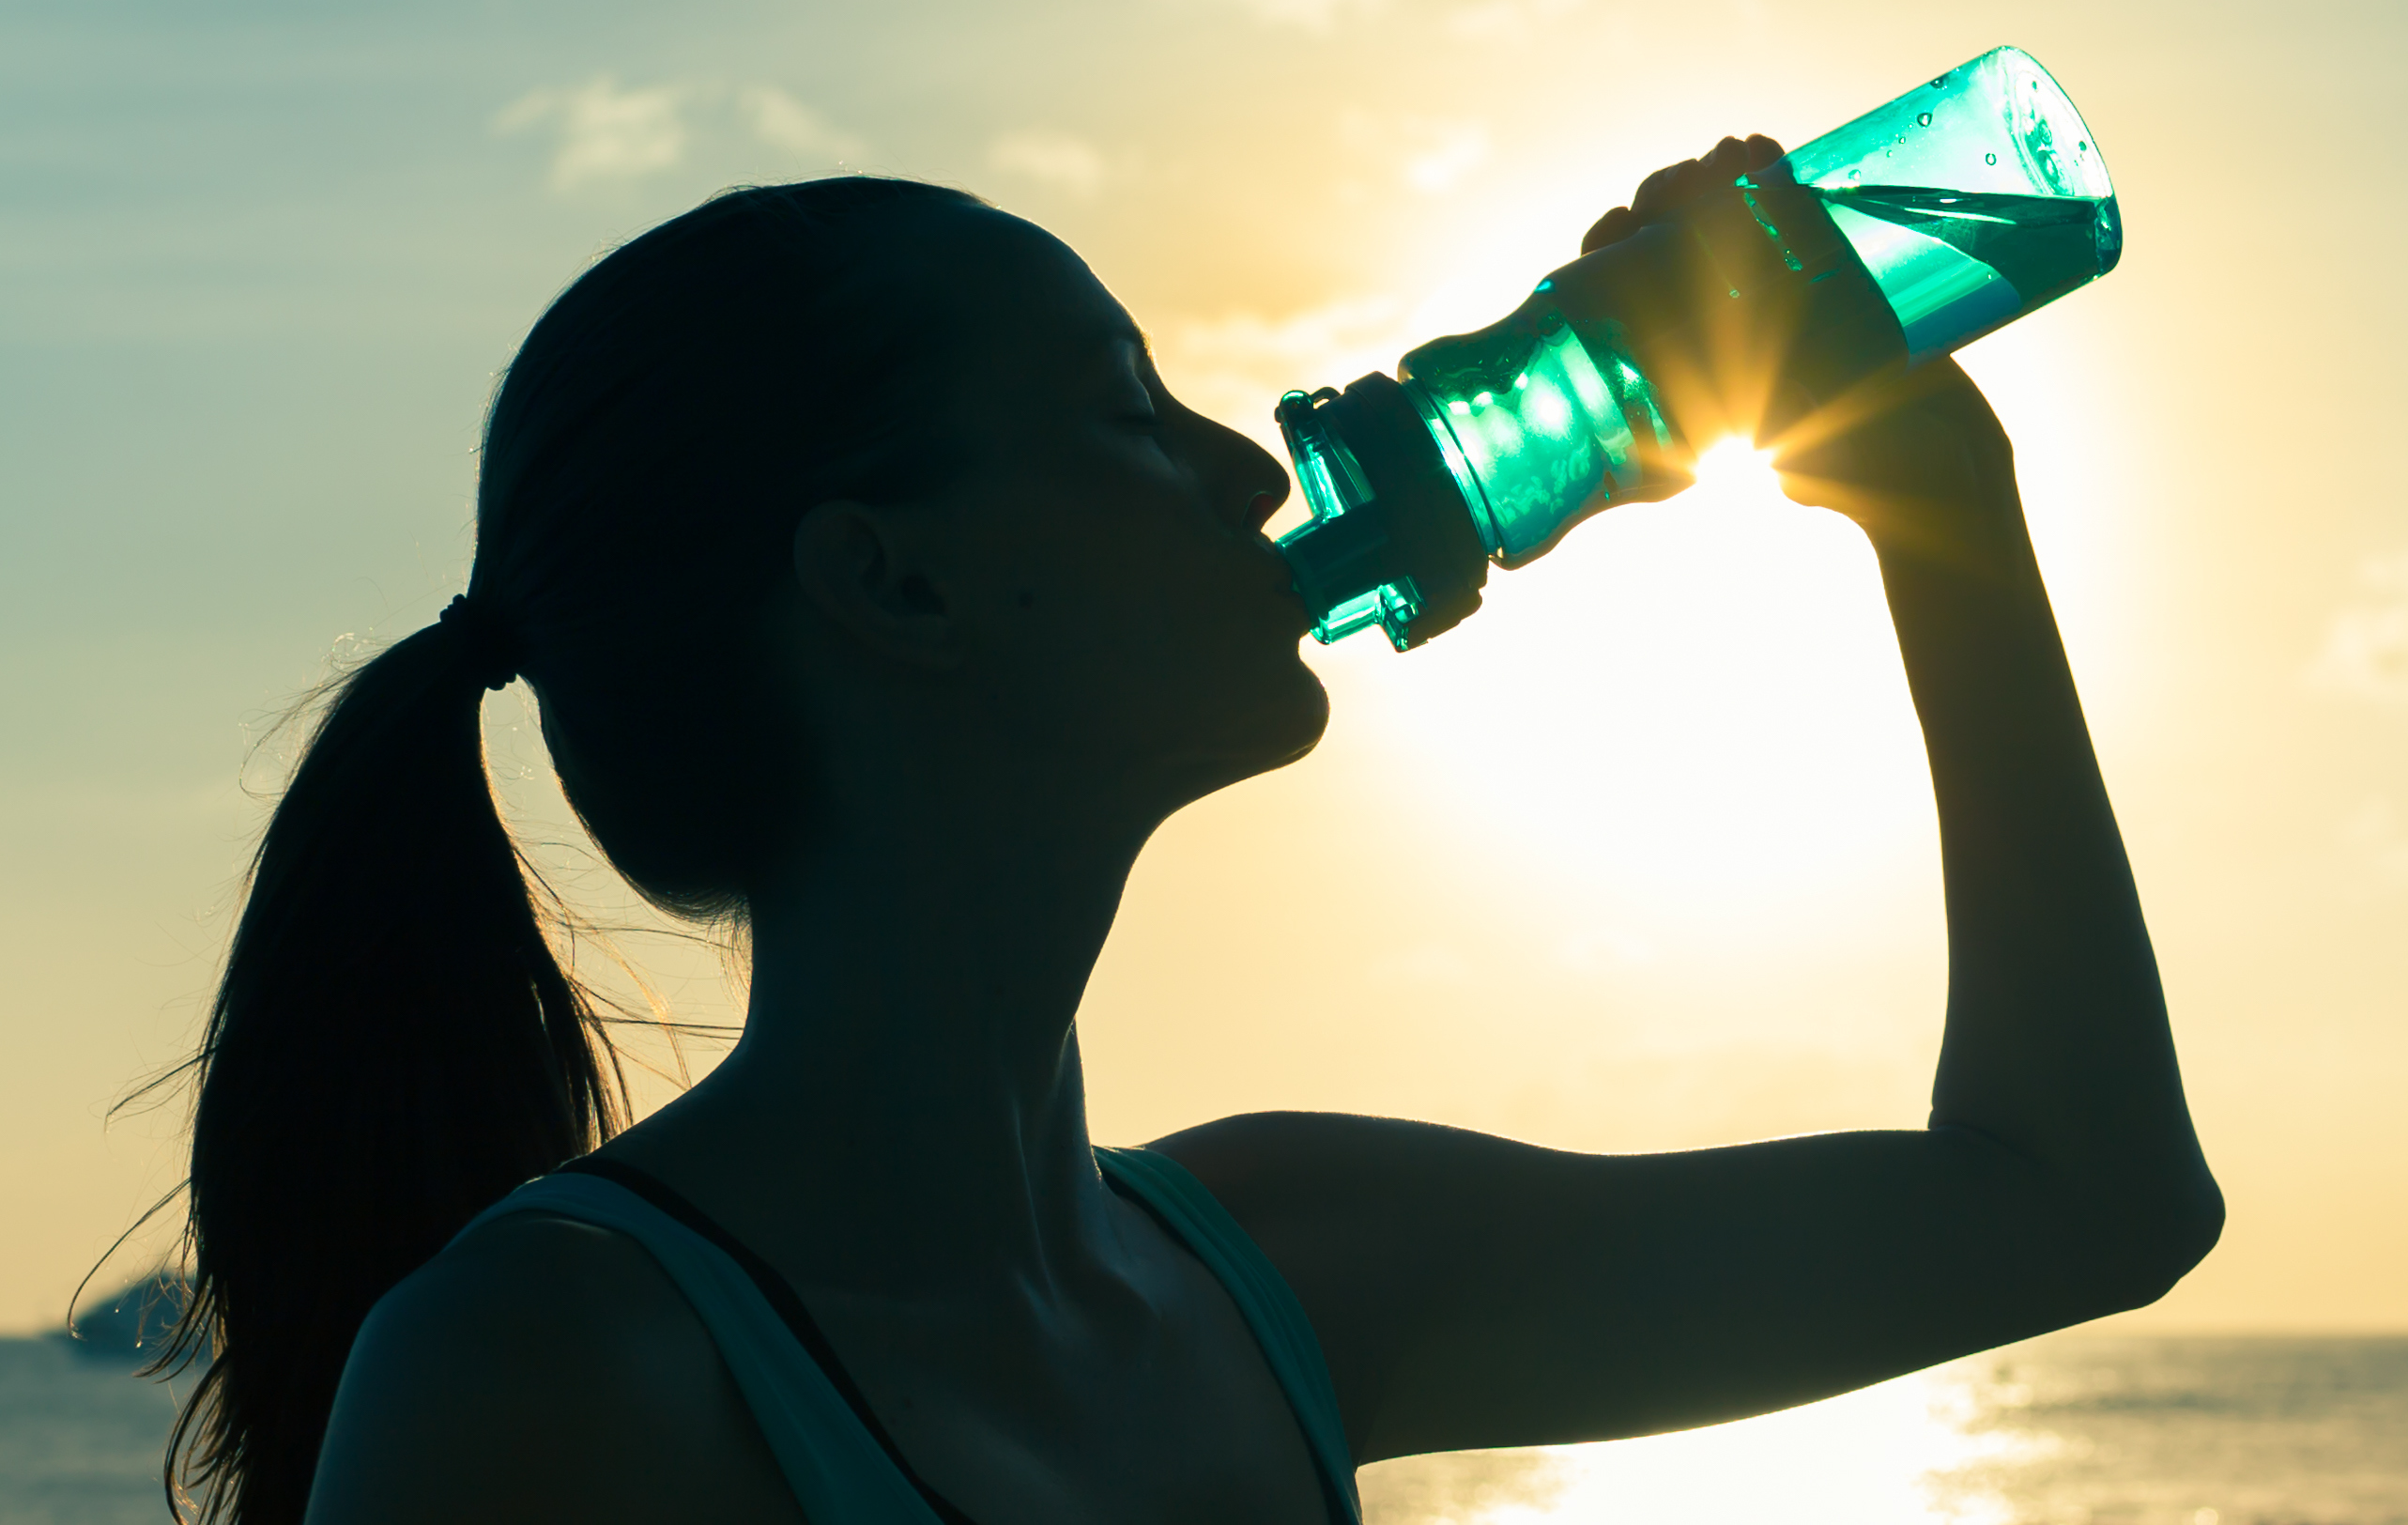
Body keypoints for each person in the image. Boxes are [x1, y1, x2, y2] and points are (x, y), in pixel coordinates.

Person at [164, 140, 2220, 1525]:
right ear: (897, 585)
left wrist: (1939, 510)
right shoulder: (550, 1377)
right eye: (1124, 407)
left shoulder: (1287, 1265)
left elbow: (2086, 1200)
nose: (1243, 466)